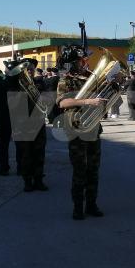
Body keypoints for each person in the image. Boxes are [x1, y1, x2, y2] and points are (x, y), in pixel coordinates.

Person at [56, 45, 108, 220]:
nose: (86, 62)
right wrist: (87, 101)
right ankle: (78, 207)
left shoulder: (92, 77)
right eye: (82, 59)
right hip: (76, 129)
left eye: (86, 59)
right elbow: (62, 103)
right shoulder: (66, 80)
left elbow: (103, 97)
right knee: (80, 171)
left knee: (94, 169)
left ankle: (91, 204)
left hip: (93, 128)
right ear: (73, 62)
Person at [9, 59, 48, 192]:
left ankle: (39, 179)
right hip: (22, 124)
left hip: (38, 122)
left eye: (32, 69)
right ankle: (27, 181)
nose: (30, 72)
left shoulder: (39, 83)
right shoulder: (15, 85)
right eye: (27, 69)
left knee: (39, 152)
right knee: (26, 153)